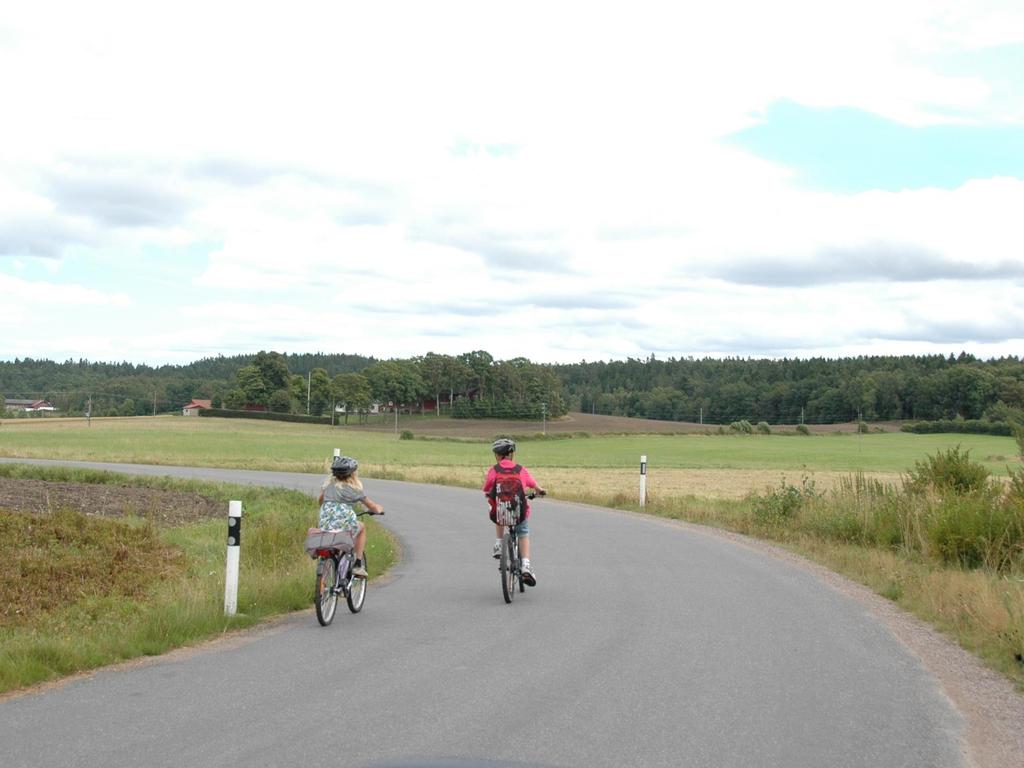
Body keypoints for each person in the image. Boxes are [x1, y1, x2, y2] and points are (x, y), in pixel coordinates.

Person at [482, 437, 546, 586]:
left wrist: (489, 493)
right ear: (512, 454)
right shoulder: (520, 469)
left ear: (498, 455)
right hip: (518, 511)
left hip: (501, 512)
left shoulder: (494, 470)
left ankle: (499, 543)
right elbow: (533, 484)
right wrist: (540, 491)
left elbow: (487, 488)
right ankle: (526, 565)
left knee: (497, 509)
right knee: (523, 533)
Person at [318, 455, 383, 578]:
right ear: (352, 474)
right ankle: (358, 564)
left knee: (335, 541)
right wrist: (379, 509)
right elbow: (372, 506)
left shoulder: (327, 488)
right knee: (361, 527)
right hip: (344, 528)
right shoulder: (354, 490)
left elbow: (321, 502)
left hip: (325, 526)